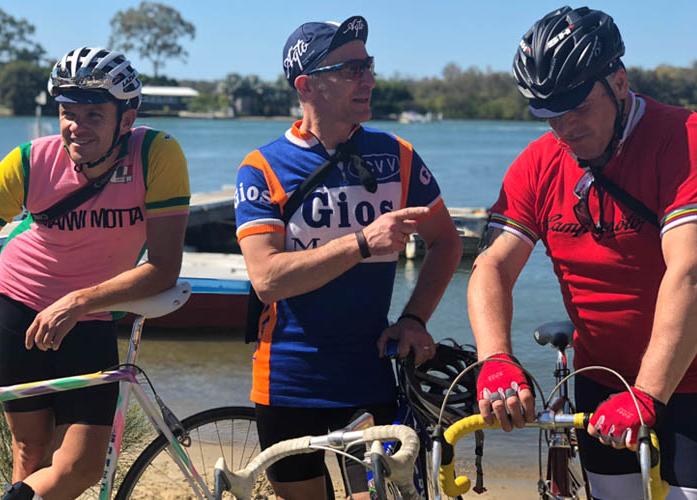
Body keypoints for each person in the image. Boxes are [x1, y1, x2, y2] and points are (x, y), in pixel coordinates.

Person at [0, 46, 190, 499]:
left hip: (90, 313)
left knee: (80, 466)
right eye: (67, 112)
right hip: (18, 304)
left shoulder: (157, 156)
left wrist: (78, 301)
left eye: (94, 114)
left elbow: (163, 268)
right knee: (30, 450)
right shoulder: (28, 161)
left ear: (127, 117)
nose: (76, 127)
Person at [468, 6, 697, 499]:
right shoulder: (539, 163)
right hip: (603, 379)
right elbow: (491, 265)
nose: (565, 128)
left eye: (578, 108)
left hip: (689, 380)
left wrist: (649, 393)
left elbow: (690, 271)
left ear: (618, 81)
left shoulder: (682, 140)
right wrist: (496, 360)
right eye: (549, 113)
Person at [235, 15, 462, 500]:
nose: (370, 80)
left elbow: (447, 242)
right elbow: (268, 280)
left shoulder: (396, 156)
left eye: (369, 66)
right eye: (352, 69)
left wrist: (415, 318)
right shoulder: (261, 167)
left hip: (370, 374)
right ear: (307, 85)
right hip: (287, 381)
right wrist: (363, 242)